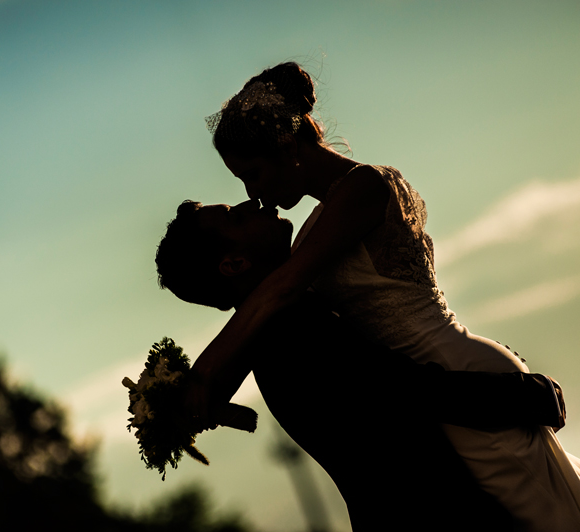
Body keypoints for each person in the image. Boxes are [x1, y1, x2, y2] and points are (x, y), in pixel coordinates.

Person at [185, 61, 580, 530]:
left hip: (459, 377)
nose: (254, 193)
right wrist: (198, 398)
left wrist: (203, 371)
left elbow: (281, 290)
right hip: (445, 385)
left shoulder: (362, 188)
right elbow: (270, 316)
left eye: (251, 173)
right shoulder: (314, 231)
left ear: (287, 147)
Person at [154, 199, 565, 531]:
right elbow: (408, 391)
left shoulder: (281, 325)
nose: (252, 201)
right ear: (235, 264)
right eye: (234, 216)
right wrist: (528, 394)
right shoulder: (291, 335)